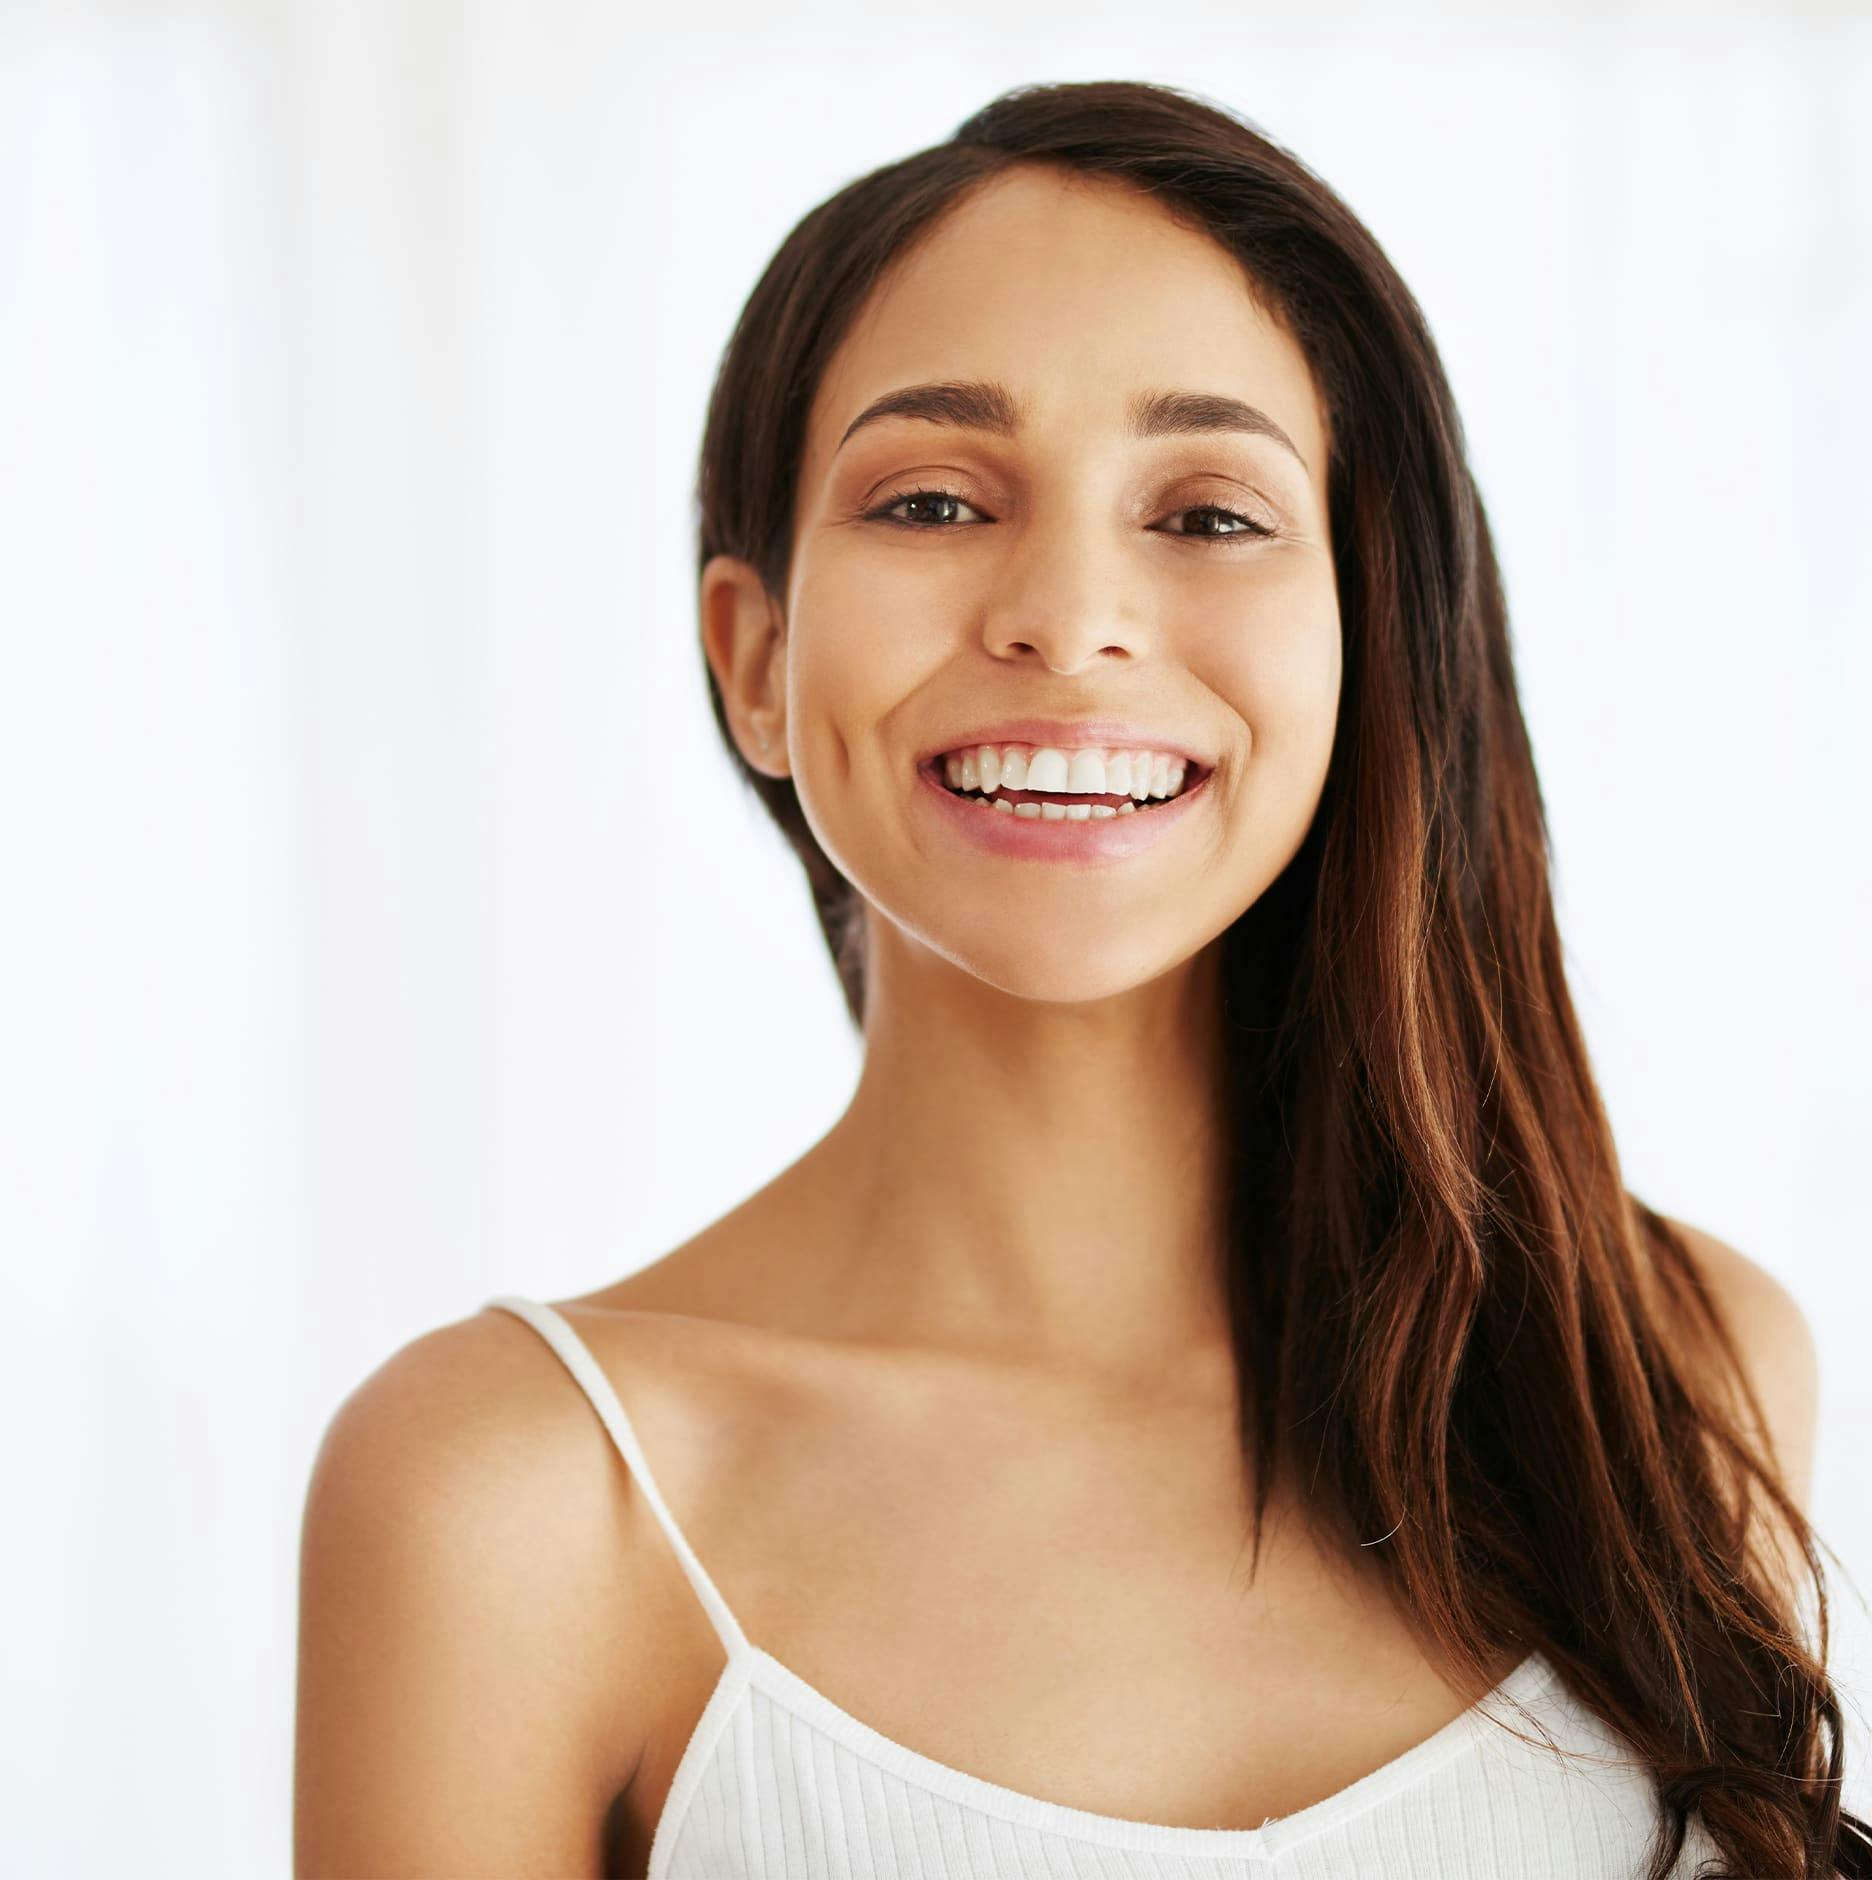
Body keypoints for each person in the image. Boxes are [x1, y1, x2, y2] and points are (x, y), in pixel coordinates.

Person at [294, 80, 1871, 1880]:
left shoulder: (1671, 1364)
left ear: (1366, 631)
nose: (1068, 613)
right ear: (754, 657)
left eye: (1208, 514)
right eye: (937, 498)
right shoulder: (512, 1498)